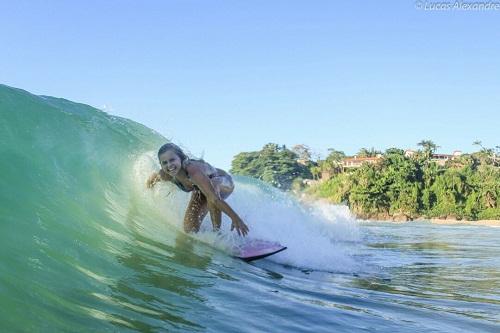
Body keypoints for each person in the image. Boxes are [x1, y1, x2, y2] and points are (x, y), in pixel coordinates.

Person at [146, 143, 249, 236]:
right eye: (164, 163)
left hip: (223, 182)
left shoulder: (193, 171)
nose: (169, 165)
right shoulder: (165, 174)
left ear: (181, 158)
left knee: (212, 191)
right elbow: (152, 180)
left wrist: (235, 218)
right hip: (201, 189)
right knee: (189, 229)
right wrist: (146, 192)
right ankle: (211, 233)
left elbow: (215, 199)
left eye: (172, 160)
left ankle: (217, 233)